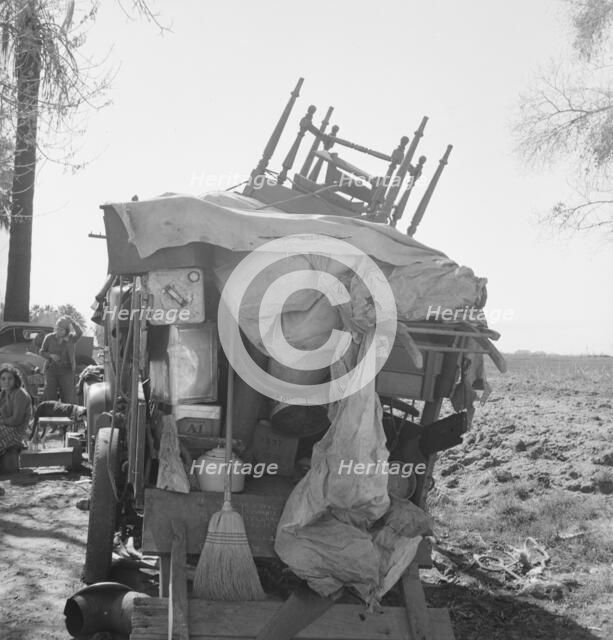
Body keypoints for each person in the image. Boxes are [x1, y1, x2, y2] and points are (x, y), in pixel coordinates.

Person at [39, 315, 83, 403]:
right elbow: (41, 352)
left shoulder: (71, 338)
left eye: (62, 329)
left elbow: (79, 333)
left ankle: (66, 415)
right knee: (50, 396)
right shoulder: (49, 338)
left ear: (66, 330)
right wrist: (51, 355)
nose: (59, 331)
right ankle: (51, 415)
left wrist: (73, 322)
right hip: (51, 370)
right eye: (58, 328)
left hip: (67, 370)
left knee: (67, 397)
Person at [0, 365, 33, 457]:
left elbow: (16, 420)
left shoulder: (20, 394)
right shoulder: (3, 393)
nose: (6, 381)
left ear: (15, 380)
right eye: (3, 379)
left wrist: (1, 421)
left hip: (18, 431)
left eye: (10, 378)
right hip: (5, 427)